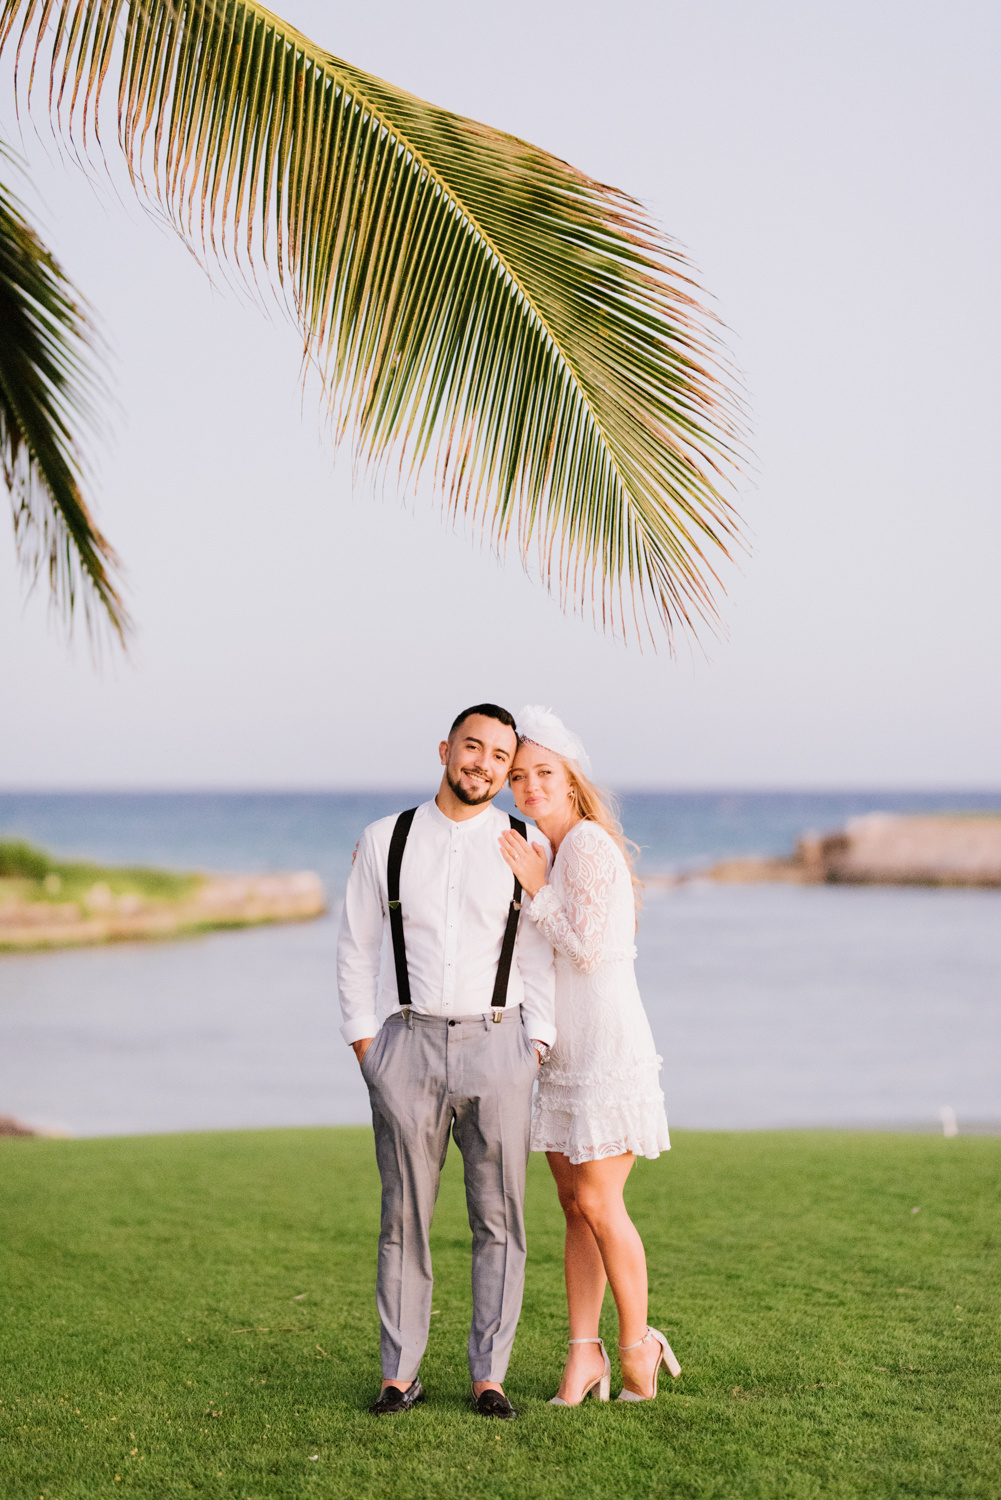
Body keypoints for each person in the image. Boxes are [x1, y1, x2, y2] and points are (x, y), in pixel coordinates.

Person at [337, 704, 556, 1419]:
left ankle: (488, 1375)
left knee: (501, 1219)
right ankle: (399, 1375)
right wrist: (367, 1046)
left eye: (500, 757)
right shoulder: (384, 840)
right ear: (444, 750)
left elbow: (538, 952)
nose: (485, 765)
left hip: (500, 1048)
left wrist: (536, 1045)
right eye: (474, 748)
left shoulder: (524, 841)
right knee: (404, 1217)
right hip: (407, 1046)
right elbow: (357, 947)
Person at [498, 705, 676, 1406]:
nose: (530, 785)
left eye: (543, 772)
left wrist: (536, 890)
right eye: (519, 776)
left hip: (607, 1048)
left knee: (601, 1203)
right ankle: (583, 1356)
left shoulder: (589, 847)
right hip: (563, 1050)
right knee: (573, 1208)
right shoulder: (550, 848)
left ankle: (637, 1348)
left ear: (570, 780)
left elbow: (589, 950)